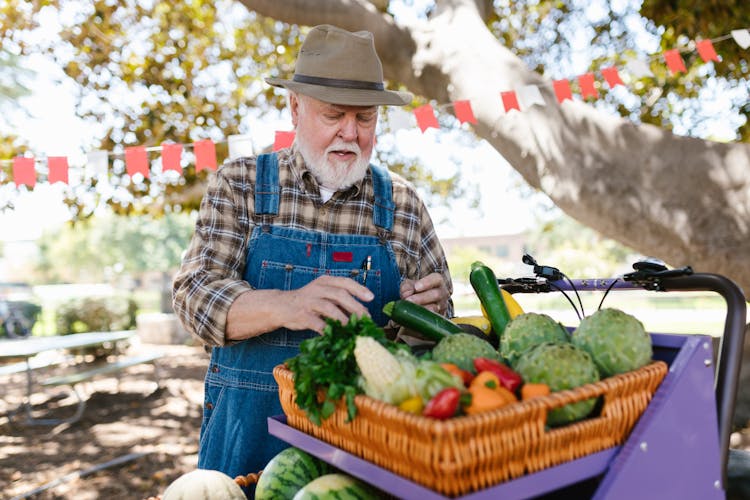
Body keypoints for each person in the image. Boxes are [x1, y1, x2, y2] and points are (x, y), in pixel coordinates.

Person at [172, 24, 453, 486]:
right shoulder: (240, 184)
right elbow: (194, 299)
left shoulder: (403, 204)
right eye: (334, 114)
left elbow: (438, 340)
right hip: (245, 441)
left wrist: (428, 311)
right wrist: (289, 304)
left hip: (362, 458)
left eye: (364, 119)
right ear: (295, 107)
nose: (350, 132)